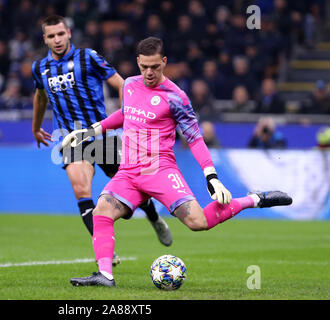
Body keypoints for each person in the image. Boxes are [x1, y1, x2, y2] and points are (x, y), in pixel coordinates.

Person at [65, 37, 292, 287]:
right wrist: (91, 131)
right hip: (128, 171)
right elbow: (125, 113)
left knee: (198, 222)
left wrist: (211, 177)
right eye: (144, 67)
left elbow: (195, 138)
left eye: (155, 67)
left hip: (160, 170)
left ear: (164, 62)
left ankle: (254, 199)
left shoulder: (176, 97)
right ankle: (105, 275)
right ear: (137, 62)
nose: (149, 72)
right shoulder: (129, 85)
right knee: (102, 210)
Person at [31, 16, 173, 266]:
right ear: (45, 39)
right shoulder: (40, 68)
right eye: (51, 36)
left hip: (100, 135)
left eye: (60, 34)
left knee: (136, 190)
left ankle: (153, 217)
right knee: (81, 192)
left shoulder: (89, 57)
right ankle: (105, 252)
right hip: (70, 138)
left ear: (69, 34)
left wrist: (129, 118)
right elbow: (40, 97)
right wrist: (35, 128)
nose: (57, 40)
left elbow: (122, 85)